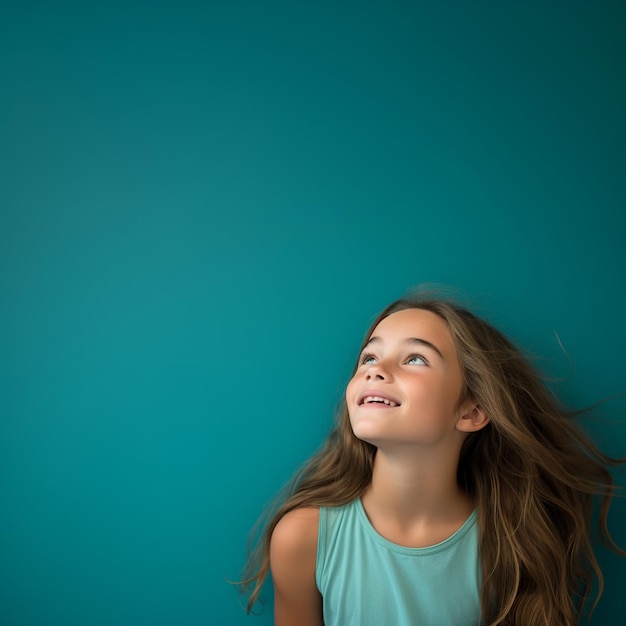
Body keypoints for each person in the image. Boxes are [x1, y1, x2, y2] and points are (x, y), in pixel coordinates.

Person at [238, 292, 625, 625]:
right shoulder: (302, 537)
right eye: (370, 357)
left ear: (472, 410)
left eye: (415, 359)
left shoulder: (509, 541)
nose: (376, 371)